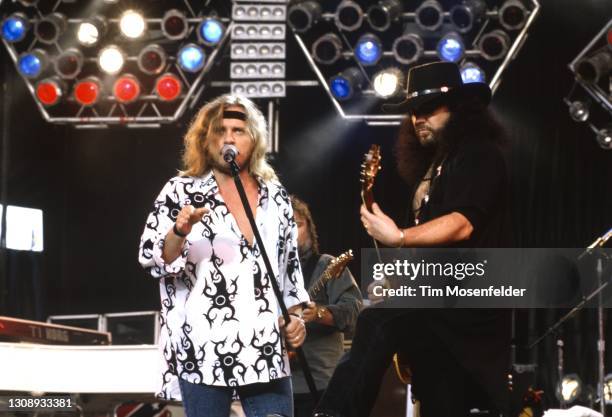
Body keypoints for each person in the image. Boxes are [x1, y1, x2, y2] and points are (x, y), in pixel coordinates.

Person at [313, 62, 511, 417]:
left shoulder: (479, 154)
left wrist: (399, 236)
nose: (418, 119)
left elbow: (463, 224)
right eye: (413, 112)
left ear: (459, 110)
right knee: (441, 400)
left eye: (429, 109)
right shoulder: (434, 168)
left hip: (466, 303)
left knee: (376, 321)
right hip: (436, 313)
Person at [138, 94, 310, 417]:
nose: (229, 137)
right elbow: (153, 256)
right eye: (220, 130)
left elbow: (289, 269)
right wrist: (179, 231)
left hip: (264, 345)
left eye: (238, 130)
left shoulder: (275, 195)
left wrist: (297, 317)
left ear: (254, 139)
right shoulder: (181, 191)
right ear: (206, 140)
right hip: (202, 348)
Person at [289, 196, 363, 417]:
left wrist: (319, 313)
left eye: (298, 224)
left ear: (309, 229)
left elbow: (354, 312)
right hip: (277, 386)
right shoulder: (266, 274)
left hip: (321, 384)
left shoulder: (326, 265)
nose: (292, 232)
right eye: (285, 225)